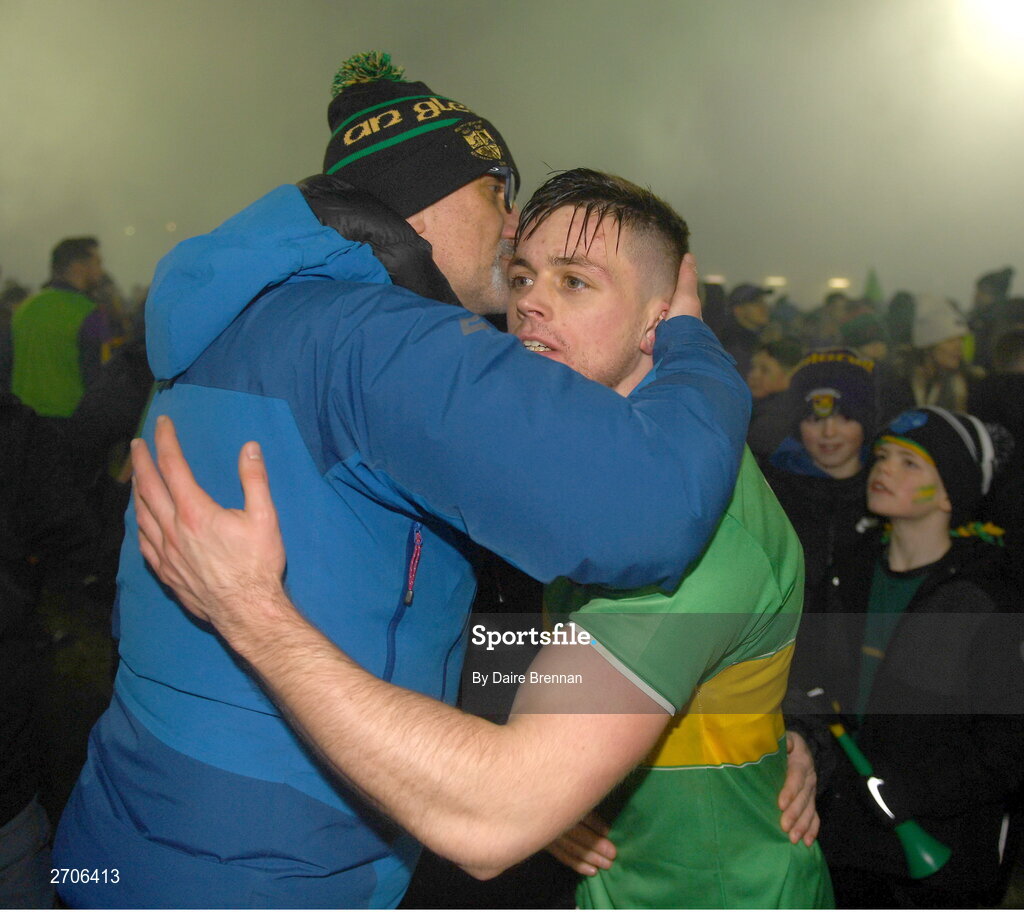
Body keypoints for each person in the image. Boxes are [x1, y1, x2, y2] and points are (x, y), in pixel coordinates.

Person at [52, 56, 752, 909]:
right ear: (429, 197)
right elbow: (653, 507)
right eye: (499, 193)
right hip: (271, 870)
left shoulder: (247, 315)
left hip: (127, 827)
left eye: (572, 280)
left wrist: (736, 724)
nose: (513, 226)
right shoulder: (384, 344)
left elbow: (406, 618)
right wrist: (691, 338)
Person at [788, 407, 1024, 908]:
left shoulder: (984, 597)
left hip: (942, 861)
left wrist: (911, 789)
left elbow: (1005, 746)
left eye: (910, 463)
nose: (883, 469)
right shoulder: (848, 573)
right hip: (843, 848)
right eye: (883, 457)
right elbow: (814, 685)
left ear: (949, 493)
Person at [761, 349, 877, 616]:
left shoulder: (884, 494)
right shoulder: (773, 492)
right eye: (814, 419)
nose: (829, 433)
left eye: (845, 418)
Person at [10, 237, 111, 417]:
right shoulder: (89, 312)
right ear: (78, 267)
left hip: (23, 421)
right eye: (97, 263)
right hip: (69, 421)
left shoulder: (25, 308)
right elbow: (98, 378)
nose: (101, 271)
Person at [745, 336, 803, 460]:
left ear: (790, 375)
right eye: (753, 367)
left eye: (764, 370)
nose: (753, 375)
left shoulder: (776, 419)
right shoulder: (760, 407)